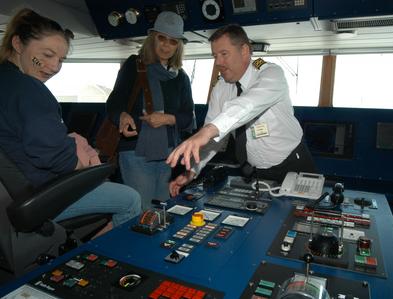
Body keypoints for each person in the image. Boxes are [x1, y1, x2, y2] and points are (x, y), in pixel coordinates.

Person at [0, 8, 141, 232]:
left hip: (15, 195)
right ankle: (99, 262)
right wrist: (87, 168)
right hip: (41, 194)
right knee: (130, 198)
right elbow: (56, 158)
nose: (55, 66)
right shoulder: (29, 90)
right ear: (18, 45)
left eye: (60, 59)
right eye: (47, 55)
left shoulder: (7, 82)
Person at [167, 24, 316, 196]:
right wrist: (192, 171)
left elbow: (249, 103)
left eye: (224, 54)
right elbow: (214, 139)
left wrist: (208, 130)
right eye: (215, 56)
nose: (218, 62)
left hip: (293, 165)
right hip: (255, 173)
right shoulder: (220, 88)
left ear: (244, 50)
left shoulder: (270, 73)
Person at [106, 11, 194, 210]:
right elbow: (114, 102)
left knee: (162, 209)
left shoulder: (181, 78)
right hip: (135, 151)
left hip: (169, 153)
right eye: (162, 38)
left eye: (172, 41)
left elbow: (188, 116)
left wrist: (167, 119)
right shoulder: (133, 65)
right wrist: (122, 115)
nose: (166, 45)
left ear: (178, 46)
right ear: (152, 38)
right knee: (143, 211)